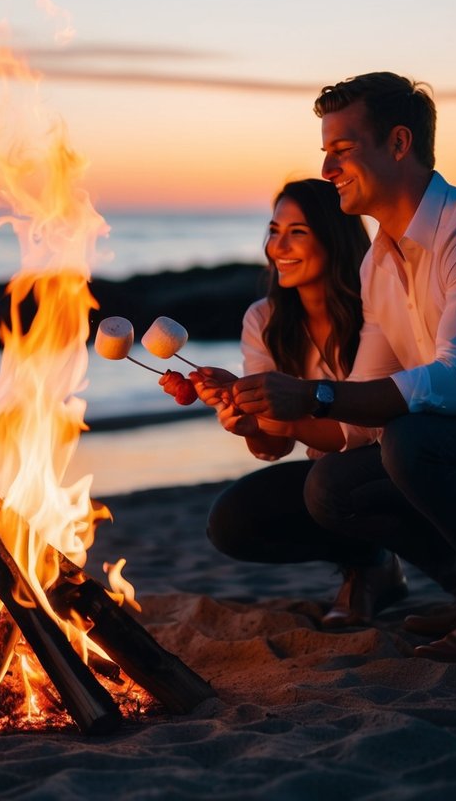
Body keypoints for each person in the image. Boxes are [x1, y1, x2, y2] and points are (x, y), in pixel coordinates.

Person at [229, 72, 456, 662]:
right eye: (325, 153)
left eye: (343, 151)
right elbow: (356, 418)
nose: (328, 170)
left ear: (399, 144)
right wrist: (267, 410)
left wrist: (311, 396)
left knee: (413, 440)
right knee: (331, 484)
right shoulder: (379, 262)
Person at [172, 179, 405, 628]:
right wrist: (248, 419)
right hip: (328, 475)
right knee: (230, 523)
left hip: (398, 464)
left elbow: (365, 432)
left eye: (297, 232)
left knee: (332, 480)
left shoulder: (378, 309)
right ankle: (372, 564)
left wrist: (285, 413)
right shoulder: (264, 319)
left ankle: (385, 572)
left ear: (334, 236)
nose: (278, 246)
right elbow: (271, 450)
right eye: (274, 229)